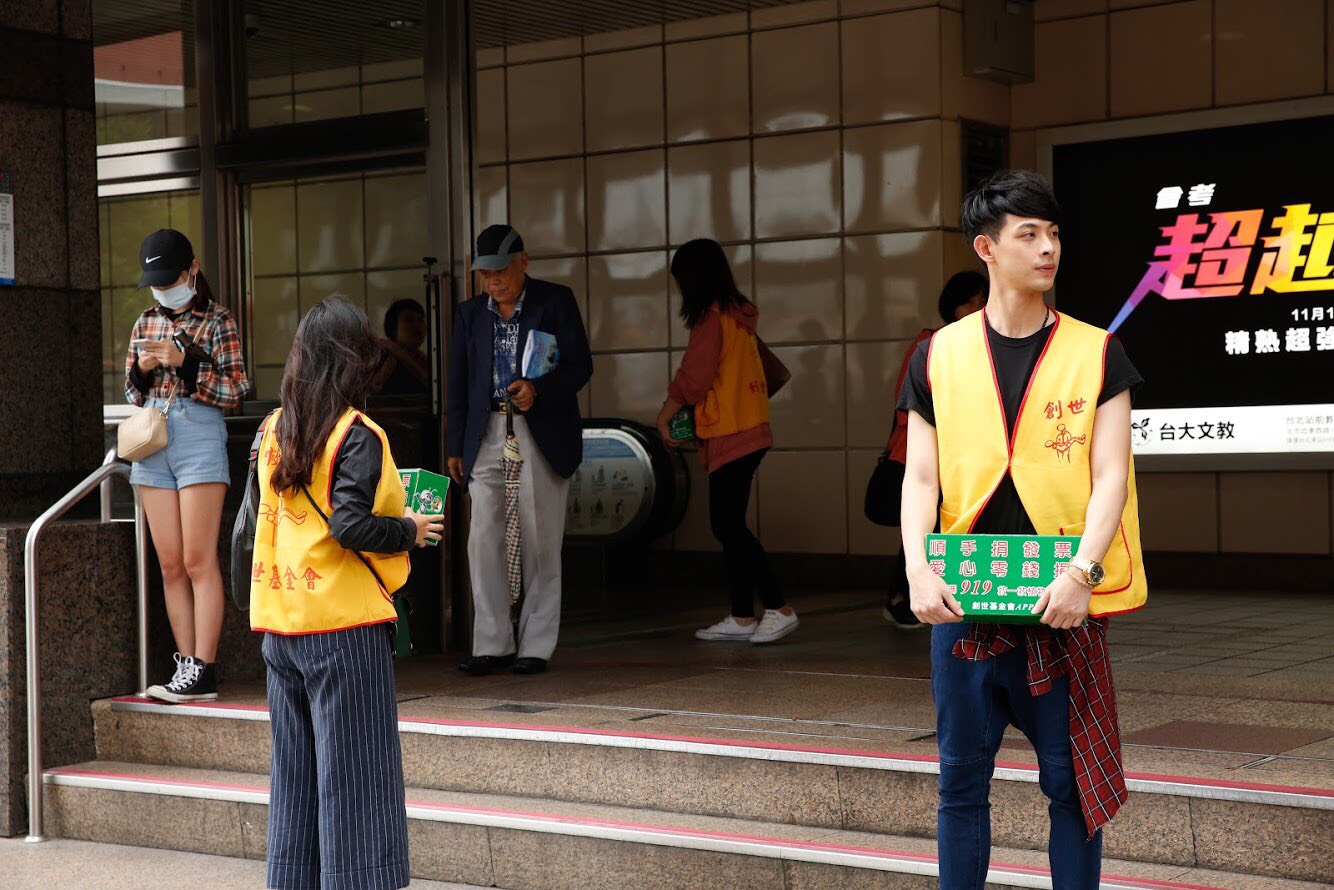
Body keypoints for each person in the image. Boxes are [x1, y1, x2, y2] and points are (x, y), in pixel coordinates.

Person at [899, 170, 1147, 888]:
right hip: (965, 601)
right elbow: (921, 479)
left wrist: (1081, 575)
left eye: (1054, 234)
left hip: (1059, 601)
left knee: (1071, 789)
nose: (1048, 249)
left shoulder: (1098, 351)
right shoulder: (936, 354)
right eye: (1029, 234)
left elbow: (1112, 476)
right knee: (959, 783)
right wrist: (918, 570)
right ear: (987, 248)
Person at [249, 297, 443, 890]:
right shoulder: (356, 434)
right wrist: (410, 530)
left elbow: (254, 521)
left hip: (281, 623)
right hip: (343, 627)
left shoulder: (271, 428)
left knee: (296, 777)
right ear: (354, 359)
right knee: (356, 777)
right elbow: (351, 526)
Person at [447, 225, 593, 676]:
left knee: (540, 539)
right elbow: (458, 383)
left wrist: (538, 389)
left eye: (501, 270)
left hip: (539, 428)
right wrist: (455, 443)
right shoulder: (470, 314)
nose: (493, 281)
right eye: (485, 273)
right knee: (483, 538)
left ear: (523, 261)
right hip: (485, 430)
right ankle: (492, 643)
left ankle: (536, 645)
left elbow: (580, 365)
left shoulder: (556, 301)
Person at [125, 229, 250, 703]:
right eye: (155, 283)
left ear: (191, 270)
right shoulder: (144, 321)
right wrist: (142, 369)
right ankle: (186, 668)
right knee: (171, 563)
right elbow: (131, 393)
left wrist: (184, 363)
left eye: (169, 279)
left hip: (198, 435)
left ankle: (204, 669)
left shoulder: (218, 320)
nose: (162, 289)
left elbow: (237, 390)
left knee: (199, 560)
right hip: (153, 439)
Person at [656, 238, 797, 645]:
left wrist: (666, 413)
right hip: (750, 428)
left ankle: (778, 607)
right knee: (730, 524)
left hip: (731, 432)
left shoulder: (712, 319)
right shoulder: (739, 316)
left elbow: (694, 378)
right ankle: (741, 615)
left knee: (728, 525)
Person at [882, 271, 988, 629]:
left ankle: (910, 594)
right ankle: (905, 595)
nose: (978, 309)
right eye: (971, 302)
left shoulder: (977, 342)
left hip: (960, 455)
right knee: (924, 522)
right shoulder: (933, 344)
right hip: (929, 452)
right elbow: (909, 405)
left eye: (981, 302)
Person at [375, 298, 430, 395]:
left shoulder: (424, 360)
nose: (417, 325)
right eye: (408, 320)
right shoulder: (384, 357)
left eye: (421, 319)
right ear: (393, 329)